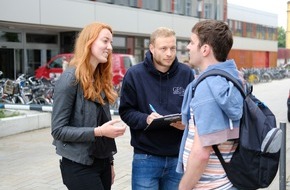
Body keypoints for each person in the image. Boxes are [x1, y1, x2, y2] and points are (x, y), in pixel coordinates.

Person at [51, 22, 127, 190]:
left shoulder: (98, 79)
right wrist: (99, 132)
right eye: (105, 41)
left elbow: (102, 122)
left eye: (111, 43)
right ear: (89, 42)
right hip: (79, 166)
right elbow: (58, 130)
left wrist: (110, 163)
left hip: (102, 163)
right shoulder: (70, 79)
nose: (109, 47)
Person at [119, 27, 195, 190]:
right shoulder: (134, 74)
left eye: (173, 48)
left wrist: (187, 123)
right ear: (152, 48)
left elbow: (195, 110)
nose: (169, 53)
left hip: (178, 158)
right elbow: (126, 111)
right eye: (163, 48)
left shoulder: (186, 73)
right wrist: (146, 119)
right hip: (146, 157)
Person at [177, 20, 244, 190]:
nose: (188, 47)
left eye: (192, 42)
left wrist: (183, 188)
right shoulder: (232, 79)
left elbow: (201, 154)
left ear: (205, 49)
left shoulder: (207, 88)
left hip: (210, 185)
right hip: (226, 181)